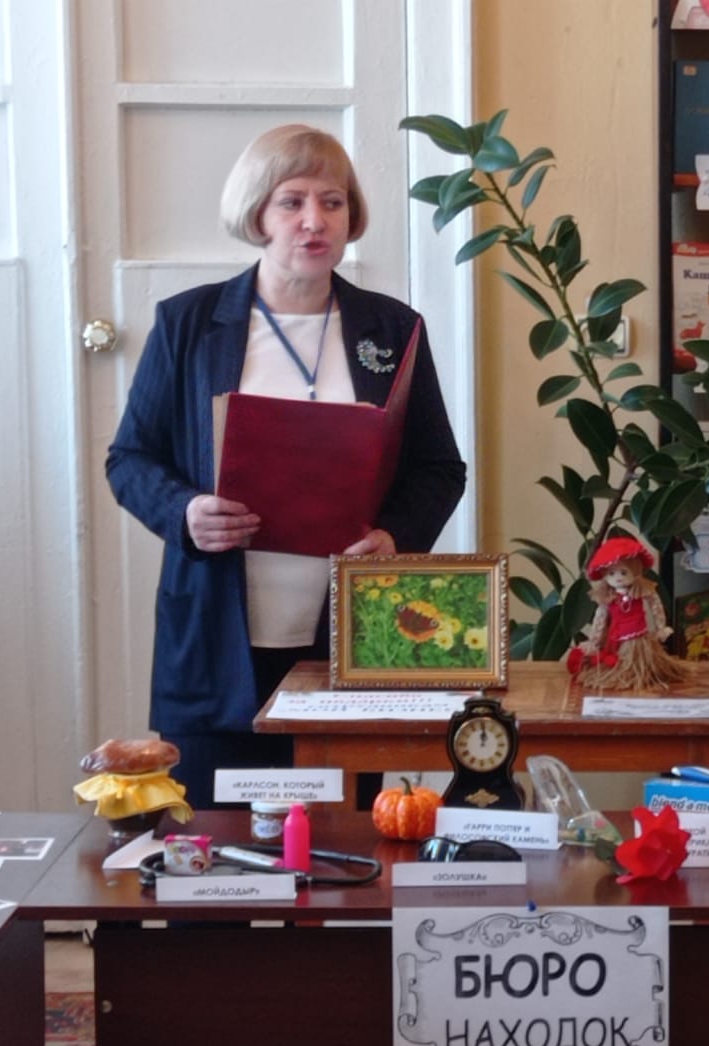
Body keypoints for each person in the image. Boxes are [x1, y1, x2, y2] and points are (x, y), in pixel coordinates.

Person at [106, 125, 466, 808]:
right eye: (292, 202)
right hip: (214, 644)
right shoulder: (188, 323)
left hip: (347, 642)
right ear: (257, 215)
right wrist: (185, 512)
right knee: (212, 849)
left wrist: (394, 536)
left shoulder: (394, 329)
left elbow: (439, 467)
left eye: (332, 202)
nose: (314, 221)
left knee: (339, 851)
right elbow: (130, 458)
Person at [567, 534, 692, 690]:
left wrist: (661, 627)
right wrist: (595, 640)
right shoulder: (609, 597)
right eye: (611, 573)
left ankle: (640, 674)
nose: (618, 578)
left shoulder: (642, 591)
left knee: (644, 662)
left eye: (624, 572)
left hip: (638, 637)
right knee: (617, 661)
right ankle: (625, 675)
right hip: (616, 638)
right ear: (605, 575)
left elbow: (656, 606)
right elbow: (600, 618)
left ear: (635, 570)